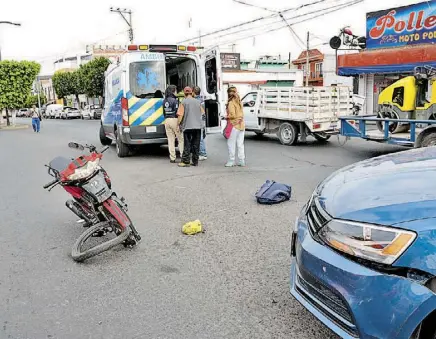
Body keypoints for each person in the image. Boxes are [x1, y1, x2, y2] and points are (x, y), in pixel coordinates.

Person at [177, 87, 204, 167]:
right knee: (196, 144)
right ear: (192, 93)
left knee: (187, 144)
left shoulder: (183, 102)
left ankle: (186, 161)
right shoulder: (198, 102)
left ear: (184, 93)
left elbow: (180, 115)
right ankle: (195, 161)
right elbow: (203, 114)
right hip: (198, 127)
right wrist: (202, 125)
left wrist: (178, 124)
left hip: (187, 127)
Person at [225, 86, 245, 167]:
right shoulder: (239, 101)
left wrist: (225, 117)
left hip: (234, 125)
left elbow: (232, 115)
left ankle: (231, 160)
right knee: (240, 144)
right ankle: (241, 160)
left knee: (231, 143)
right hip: (241, 124)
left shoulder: (231, 103)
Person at [163, 85, 184, 163]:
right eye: (175, 90)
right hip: (174, 120)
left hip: (167, 120)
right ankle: (182, 156)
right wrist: (179, 123)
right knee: (180, 139)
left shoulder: (164, 100)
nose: (176, 92)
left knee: (170, 140)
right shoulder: (175, 100)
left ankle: (172, 158)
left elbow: (164, 112)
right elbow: (177, 112)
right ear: (173, 91)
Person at [193, 86, 207, 161]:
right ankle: (201, 153)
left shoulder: (195, 101)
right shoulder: (202, 100)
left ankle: (203, 153)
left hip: (197, 121)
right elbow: (203, 113)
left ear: (193, 92)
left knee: (199, 138)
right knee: (200, 137)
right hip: (201, 121)